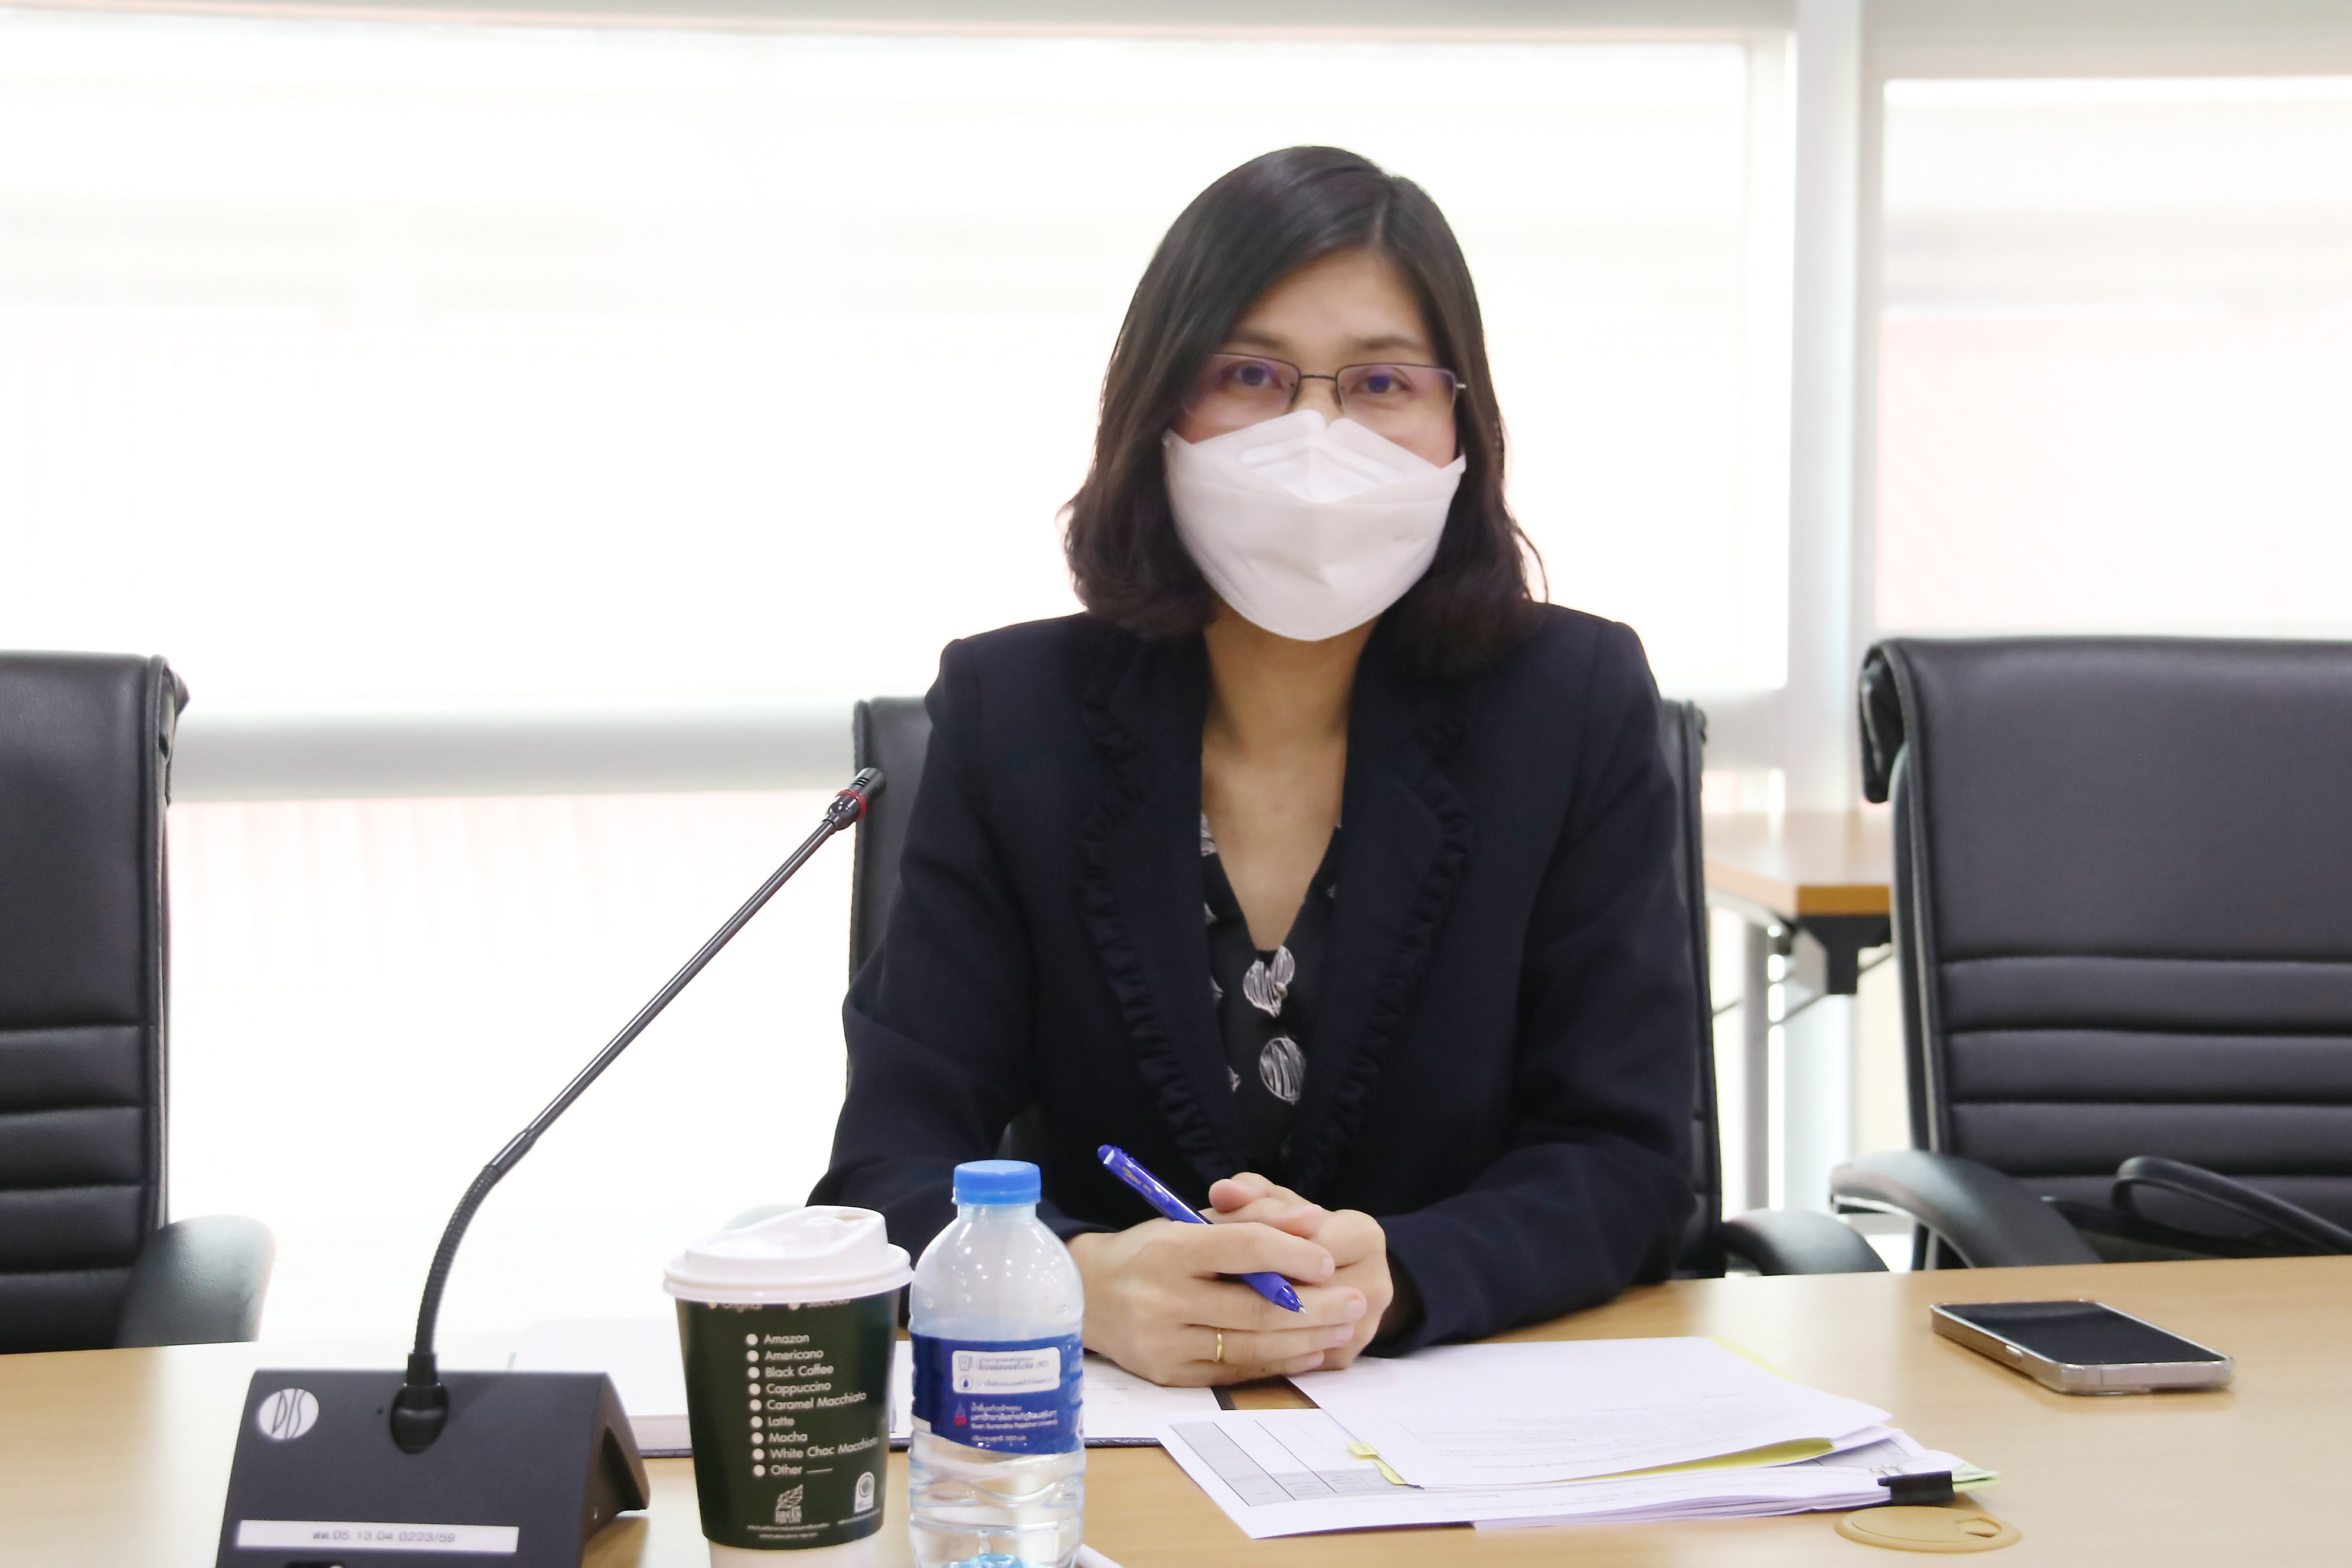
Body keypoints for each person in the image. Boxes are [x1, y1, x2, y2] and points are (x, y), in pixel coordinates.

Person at [812, 146, 1697, 1386]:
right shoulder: (1015, 712)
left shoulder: (1573, 701)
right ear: (1158, 409)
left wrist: (1398, 1274)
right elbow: (886, 1170)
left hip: (1466, 1417)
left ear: (1461, 425)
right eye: (1249, 375)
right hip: (1111, 1427)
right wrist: (1077, 1281)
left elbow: (1628, 1159)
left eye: (1381, 381)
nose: (1316, 439)